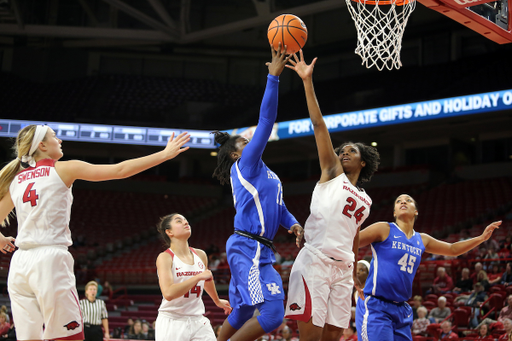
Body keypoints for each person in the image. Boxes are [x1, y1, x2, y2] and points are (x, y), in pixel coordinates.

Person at [0, 124, 190, 341]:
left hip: (19, 264)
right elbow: (120, 170)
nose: (59, 140)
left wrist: (1, 239)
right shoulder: (63, 168)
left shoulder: (17, 179)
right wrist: (164, 155)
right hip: (49, 260)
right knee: (68, 336)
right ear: (42, 145)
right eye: (54, 137)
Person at [284, 50, 380, 341]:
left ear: (363, 162)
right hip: (316, 262)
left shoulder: (366, 198)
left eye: (352, 150)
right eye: (343, 150)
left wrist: (353, 267)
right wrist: (307, 82)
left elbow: (354, 232)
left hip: (343, 270)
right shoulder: (332, 172)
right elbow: (318, 126)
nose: (344, 152)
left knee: (334, 337)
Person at [211, 44, 304, 341]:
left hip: (258, 247)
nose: (249, 142)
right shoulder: (247, 165)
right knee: (273, 313)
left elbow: (279, 206)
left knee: (240, 312)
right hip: (247, 247)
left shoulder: (266, 172)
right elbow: (266, 121)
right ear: (238, 155)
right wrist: (273, 78)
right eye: (244, 142)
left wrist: (292, 224)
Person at [355, 193, 501, 341]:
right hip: (376, 305)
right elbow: (353, 242)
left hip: (401, 309)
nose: (403, 202)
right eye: (398, 201)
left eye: (408, 200)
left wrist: (481, 238)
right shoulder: (384, 228)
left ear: (416, 211)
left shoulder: (422, 239)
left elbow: (452, 249)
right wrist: (351, 272)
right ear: (394, 212)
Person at [155, 213, 232, 341]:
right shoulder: (165, 257)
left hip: (197, 319)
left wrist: (217, 300)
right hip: (172, 320)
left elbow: (207, 279)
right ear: (169, 232)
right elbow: (168, 293)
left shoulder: (200, 255)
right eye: (179, 221)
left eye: (186, 220)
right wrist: (197, 277)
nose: (186, 222)